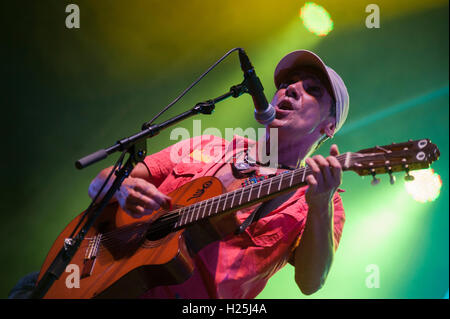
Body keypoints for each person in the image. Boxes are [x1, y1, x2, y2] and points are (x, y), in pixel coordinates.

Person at [9, 49, 349, 299]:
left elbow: (310, 283)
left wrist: (320, 205)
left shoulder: (321, 198)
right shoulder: (208, 144)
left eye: (312, 90)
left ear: (330, 125)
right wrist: (121, 188)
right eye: (288, 83)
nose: (291, 89)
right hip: (88, 279)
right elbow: (102, 181)